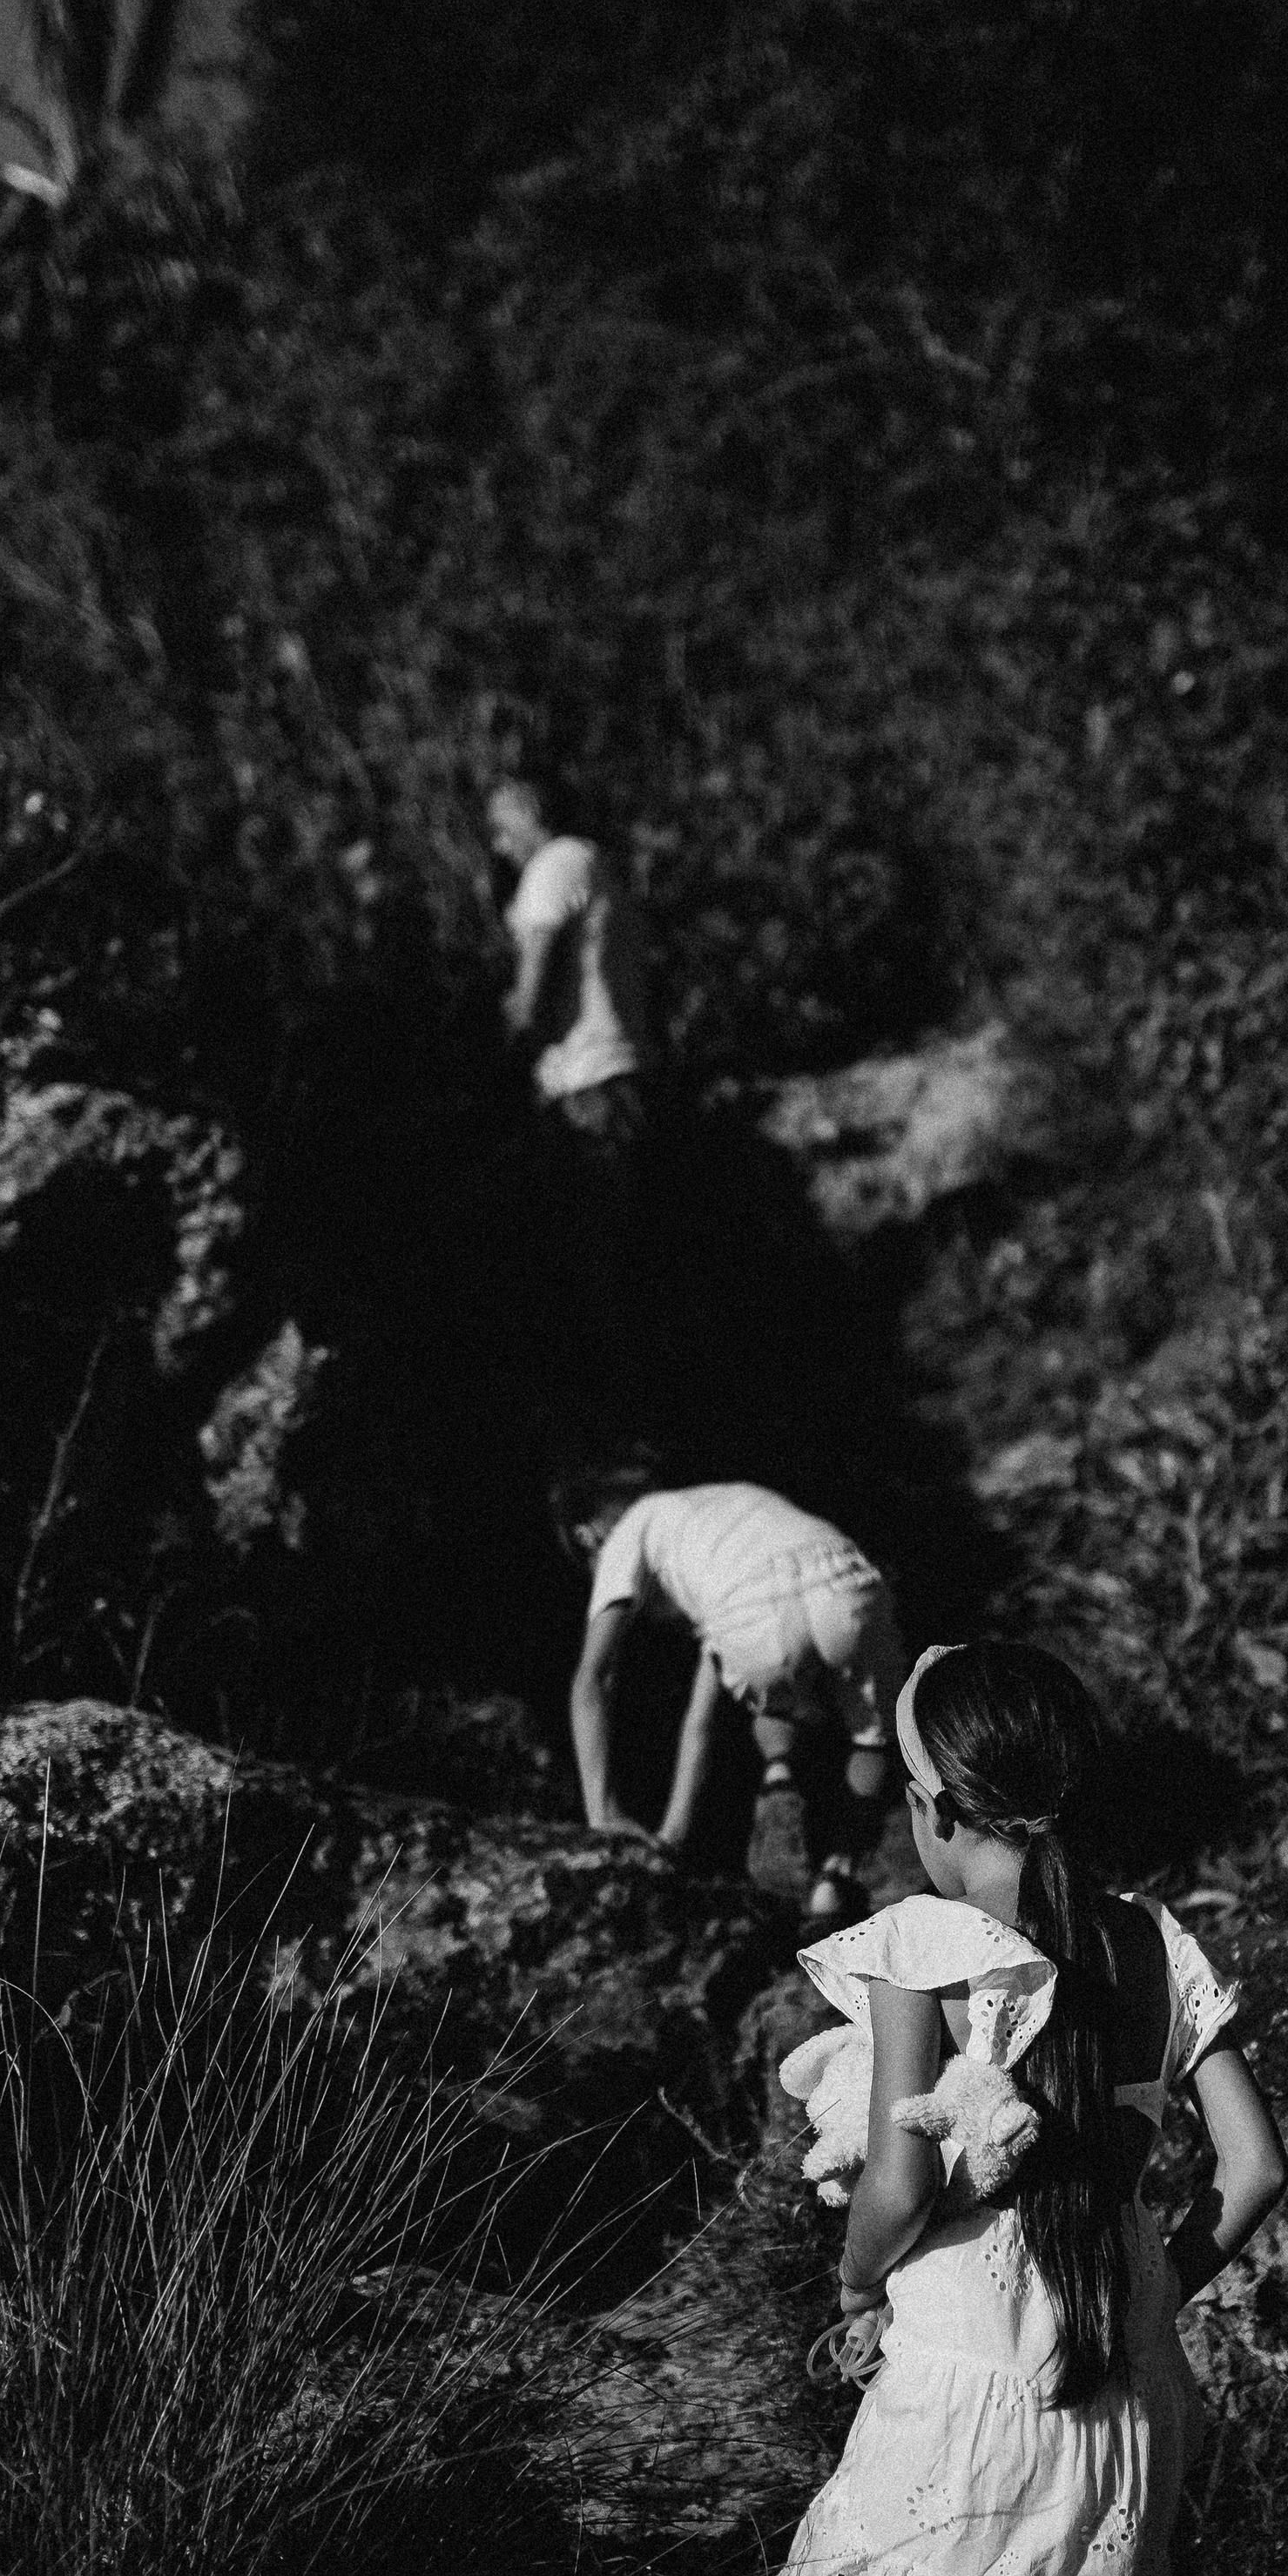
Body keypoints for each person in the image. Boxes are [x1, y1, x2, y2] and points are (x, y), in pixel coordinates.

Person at [664, 1641, 1288, 2576]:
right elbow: (1257, 2171)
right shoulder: (1152, 1943)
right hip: (1115, 2411)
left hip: (960, 2396)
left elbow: (893, 2176)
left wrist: (860, 2275)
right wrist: (1154, 2290)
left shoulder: (921, 1943)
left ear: (937, 1806)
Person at [556, 1469, 906, 1922]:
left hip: (750, 1614)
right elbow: (699, 1720)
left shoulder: (630, 1529)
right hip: (847, 1579)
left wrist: (604, 1817)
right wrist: (672, 1836)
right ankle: (835, 1878)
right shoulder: (728, 1512)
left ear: (587, 1535)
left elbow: (593, 1677)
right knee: (873, 1738)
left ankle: (780, 1777)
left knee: (774, 1689)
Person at [484, 771, 656, 1369]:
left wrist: (494, 1061)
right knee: (614, 1251)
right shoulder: (595, 862)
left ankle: (620, 1417)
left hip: (586, 1082)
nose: (500, 846)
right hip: (615, 1073)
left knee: (590, 1258)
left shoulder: (554, 868)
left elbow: (529, 998)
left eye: (503, 830)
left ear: (530, 814)